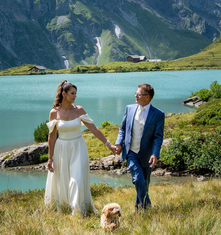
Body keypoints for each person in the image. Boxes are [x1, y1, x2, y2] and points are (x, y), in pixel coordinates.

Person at [44, 80, 118, 215]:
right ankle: (65, 206)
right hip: (62, 149)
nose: (75, 96)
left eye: (75, 94)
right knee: (63, 179)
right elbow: (52, 137)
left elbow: (93, 129)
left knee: (76, 179)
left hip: (78, 147)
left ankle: (77, 211)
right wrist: (50, 158)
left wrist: (109, 145)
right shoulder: (54, 112)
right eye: (72, 93)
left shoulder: (79, 110)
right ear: (64, 94)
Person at [112, 83, 165, 210]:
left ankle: (139, 209)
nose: (135, 96)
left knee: (144, 183)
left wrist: (155, 153)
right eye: (136, 93)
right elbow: (122, 129)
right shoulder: (129, 108)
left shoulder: (158, 114)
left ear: (148, 97)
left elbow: (158, 137)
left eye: (139, 94)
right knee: (138, 180)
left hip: (147, 155)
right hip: (131, 153)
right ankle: (148, 207)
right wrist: (119, 142)